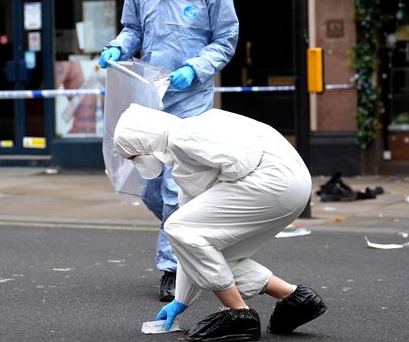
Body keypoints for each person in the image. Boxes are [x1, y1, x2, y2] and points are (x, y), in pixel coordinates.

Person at [99, 0, 239, 302]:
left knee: (176, 183)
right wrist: (118, 47)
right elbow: (133, 29)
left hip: (191, 96)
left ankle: (172, 268)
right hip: (150, 94)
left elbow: (225, 38)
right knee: (149, 183)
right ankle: (194, 235)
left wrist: (195, 69)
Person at [114, 104, 327, 341]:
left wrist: (219, 182)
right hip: (290, 185)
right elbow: (190, 245)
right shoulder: (185, 148)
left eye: (132, 156)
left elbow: (241, 162)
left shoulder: (183, 136)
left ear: (142, 141)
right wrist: (181, 300)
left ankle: (239, 315)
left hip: (273, 182)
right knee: (211, 252)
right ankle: (296, 299)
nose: (136, 161)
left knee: (179, 228)